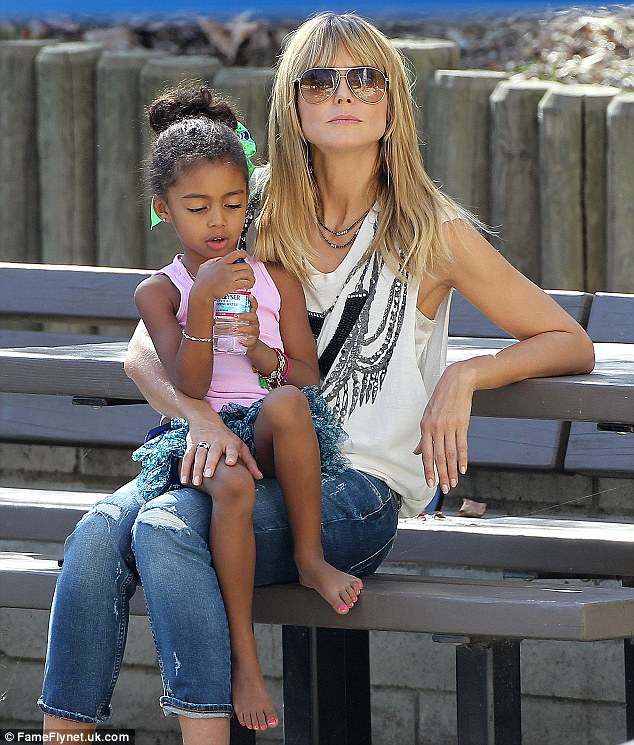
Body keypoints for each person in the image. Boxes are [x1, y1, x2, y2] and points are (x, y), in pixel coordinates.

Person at [40, 12, 595, 745]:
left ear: (391, 100)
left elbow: (568, 339)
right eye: (321, 78)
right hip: (237, 456)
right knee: (96, 534)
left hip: (355, 492)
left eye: (365, 76)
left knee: (169, 527)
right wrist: (199, 418)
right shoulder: (250, 204)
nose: (345, 92)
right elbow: (142, 351)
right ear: (292, 104)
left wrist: (466, 374)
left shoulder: (433, 231)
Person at [131, 82, 364, 727]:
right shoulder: (159, 294)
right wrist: (201, 304)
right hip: (207, 429)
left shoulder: (275, 279)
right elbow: (188, 384)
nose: (218, 223)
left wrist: (264, 357)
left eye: (232, 206)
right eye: (198, 208)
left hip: (268, 419)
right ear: (165, 211)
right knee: (229, 487)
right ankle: (246, 660)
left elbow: (308, 380)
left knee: (289, 405)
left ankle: (312, 559)